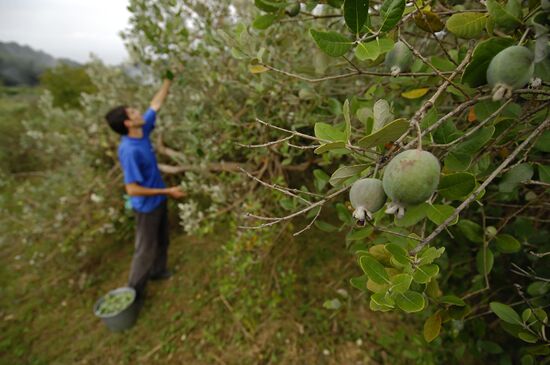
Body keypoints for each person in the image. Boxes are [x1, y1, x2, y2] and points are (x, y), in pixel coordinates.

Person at [104, 73, 185, 302]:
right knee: (145, 249)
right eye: (132, 112)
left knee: (163, 240)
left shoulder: (143, 130)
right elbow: (132, 189)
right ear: (128, 123)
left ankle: (159, 271)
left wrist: (169, 79)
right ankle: (134, 294)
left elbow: (156, 104)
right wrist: (167, 191)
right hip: (146, 206)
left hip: (158, 200)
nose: (138, 111)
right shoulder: (129, 150)